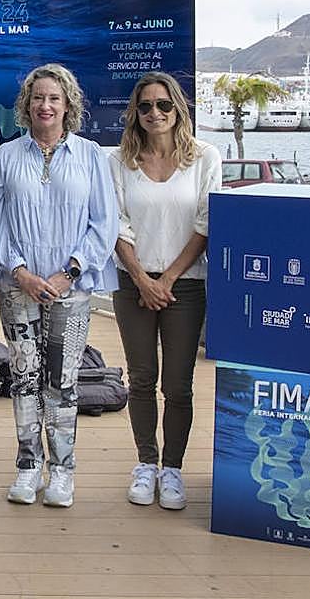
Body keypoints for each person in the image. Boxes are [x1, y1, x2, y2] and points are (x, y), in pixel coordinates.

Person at [0, 63, 118, 509]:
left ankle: (62, 471)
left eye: (54, 98)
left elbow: (104, 223)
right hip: (17, 285)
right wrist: (19, 270)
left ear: (67, 104)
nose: (45, 105)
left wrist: (69, 273)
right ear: (27, 103)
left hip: (70, 289)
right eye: (38, 97)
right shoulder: (6, 156)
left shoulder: (91, 156)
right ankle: (27, 467)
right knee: (23, 377)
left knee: (62, 381)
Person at [109, 71, 221, 510]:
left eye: (163, 105)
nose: (154, 113)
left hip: (185, 287)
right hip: (132, 284)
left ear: (178, 108)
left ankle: (172, 467)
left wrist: (167, 280)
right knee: (141, 379)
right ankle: (146, 463)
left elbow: (205, 223)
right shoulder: (119, 161)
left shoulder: (205, 157)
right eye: (145, 106)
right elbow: (116, 224)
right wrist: (142, 278)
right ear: (135, 113)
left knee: (178, 384)